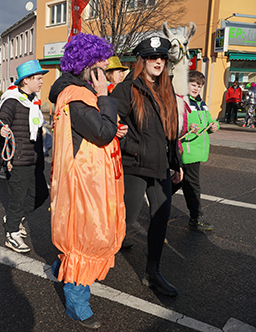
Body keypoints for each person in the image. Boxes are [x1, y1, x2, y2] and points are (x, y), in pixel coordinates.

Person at [48, 33, 126, 330]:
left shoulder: (80, 95)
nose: (106, 71)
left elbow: (96, 134)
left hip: (89, 181)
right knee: (85, 239)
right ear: (88, 67)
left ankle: (63, 269)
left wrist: (111, 129)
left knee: (86, 239)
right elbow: (101, 133)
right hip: (83, 187)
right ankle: (76, 304)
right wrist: (105, 95)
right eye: (102, 66)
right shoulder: (77, 98)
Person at [111, 36, 183, 297]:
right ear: (142, 60)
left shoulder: (167, 88)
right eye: (153, 57)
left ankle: (152, 272)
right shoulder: (127, 88)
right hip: (135, 166)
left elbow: (171, 131)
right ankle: (92, 257)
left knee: (160, 219)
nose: (159, 62)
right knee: (125, 221)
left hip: (161, 167)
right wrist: (134, 147)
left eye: (162, 57)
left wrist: (177, 163)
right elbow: (112, 126)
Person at [0, 59, 49, 253]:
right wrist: (0, 130)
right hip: (17, 160)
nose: (41, 82)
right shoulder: (12, 100)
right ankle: (12, 233)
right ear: (26, 80)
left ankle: (13, 218)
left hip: (34, 160)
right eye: (38, 78)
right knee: (17, 199)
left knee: (40, 194)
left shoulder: (32, 101)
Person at [173, 70, 218, 232]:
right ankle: (196, 218)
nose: (196, 88)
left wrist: (214, 125)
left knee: (178, 181)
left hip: (198, 150)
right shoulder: (181, 102)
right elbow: (176, 126)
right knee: (192, 185)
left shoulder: (201, 103)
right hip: (187, 150)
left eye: (199, 85)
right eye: (193, 84)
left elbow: (209, 121)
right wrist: (188, 127)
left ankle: (158, 204)